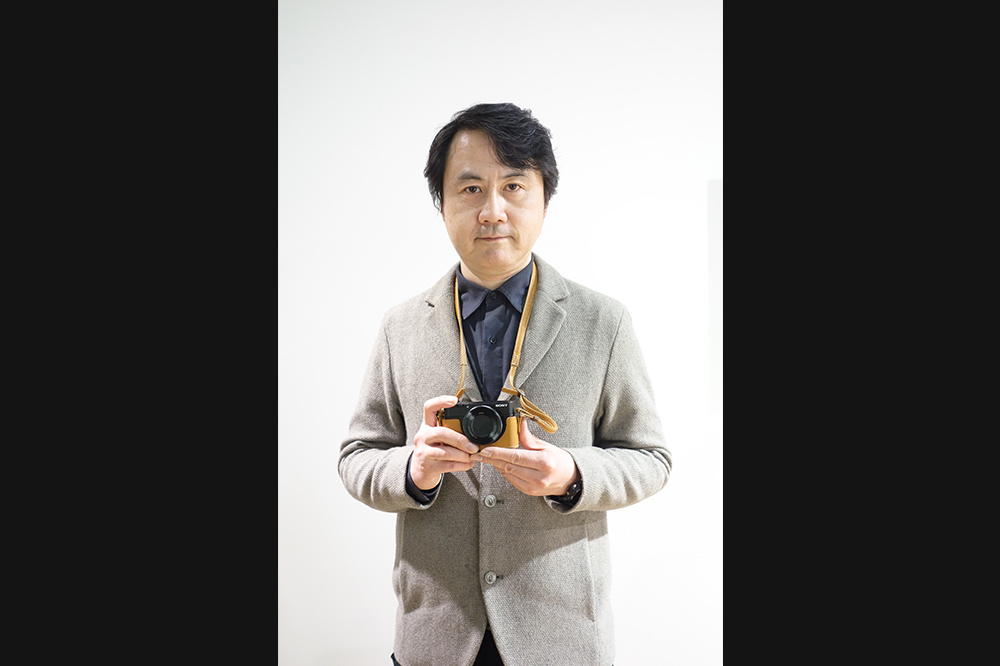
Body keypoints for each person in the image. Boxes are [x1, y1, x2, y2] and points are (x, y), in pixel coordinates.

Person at [339, 103, 672, 666]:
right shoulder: (401, 327)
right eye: (470, 189)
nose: (492, 210)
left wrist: (572, 474)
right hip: (434, 638)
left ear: (544, 200)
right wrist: (413, 471)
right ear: (441, 203)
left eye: (514, 186)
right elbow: (356, 457)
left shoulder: (603, 322)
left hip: (562, 640)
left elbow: (651, 458)